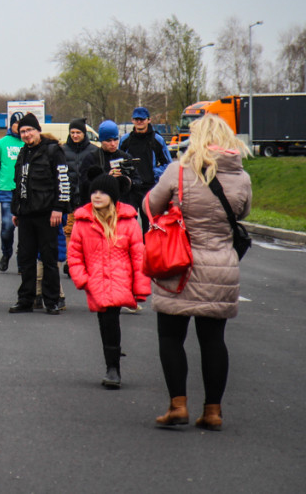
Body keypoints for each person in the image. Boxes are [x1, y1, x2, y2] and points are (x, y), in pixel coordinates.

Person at [148, 114, 251, 431]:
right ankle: (213, 411)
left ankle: (177, 405)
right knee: (213, 340)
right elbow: (242, 213)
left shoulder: (178, 171)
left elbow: (153, 205)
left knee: (171, 337)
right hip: (220, 265)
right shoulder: (241, 177)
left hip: (178, 263)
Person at [67, 172, 150, 388]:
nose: (97, 196)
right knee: (106, 322)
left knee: (110, 319)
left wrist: (140, 288)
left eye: (103, 192)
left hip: (120, 279)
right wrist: (83, 280)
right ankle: (112, 362)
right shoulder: (82, 221)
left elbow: (138, 255)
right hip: (95, 281)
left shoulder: (128, 221)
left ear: (113, 196)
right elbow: (74, 255)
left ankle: (113, 369)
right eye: (94, 191)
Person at [8, 114, 70, 315]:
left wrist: (59, 208)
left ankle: (51, 300)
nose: (26, 135)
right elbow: (18, 184)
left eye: (29, 131)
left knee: (49, 259)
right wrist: (16, 210)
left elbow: (63, 181)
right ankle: (25, 299)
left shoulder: (53, 151)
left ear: (38, 130)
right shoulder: (22, 153)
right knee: (25, 259)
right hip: (26, 214)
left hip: (47, 214)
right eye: (23, 131)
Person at [120, 107, 172, 232]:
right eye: (137, 119)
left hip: (149, 189)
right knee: (128, 224)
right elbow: (119, 160)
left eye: (142, 119)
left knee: (149, 226)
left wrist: (153, 172)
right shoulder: (125, 140)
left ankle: (148, 251)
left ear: (149, 120)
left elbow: (168, 164)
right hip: (130, 189)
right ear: (132, 120)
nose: (139, 122)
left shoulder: (157, 140)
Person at [0, 113, 25, 272]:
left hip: (26, 192)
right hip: (7, 191)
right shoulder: (1, 144)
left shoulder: (28, 143)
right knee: (8, 226)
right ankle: (6, 253)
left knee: (25, 229)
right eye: (17, 124)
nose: (20, 127)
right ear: (12, 125)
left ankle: (22, 259)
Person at [62, 118, 97, 274]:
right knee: (69, 229)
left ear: (84, 133)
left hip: (86, 197)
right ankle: (70, 261)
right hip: (68, 195)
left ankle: (86, 259)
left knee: (87, 230)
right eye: (73, 133)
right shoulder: (62, 150)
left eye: (78, 132)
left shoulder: (93, 151)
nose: (75, 135)